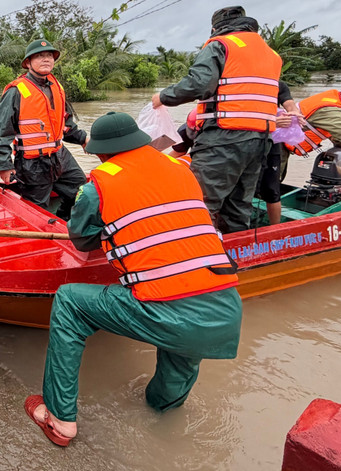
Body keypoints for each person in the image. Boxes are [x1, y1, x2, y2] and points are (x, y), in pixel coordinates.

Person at [24, 112, 242, 446]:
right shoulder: (181, 169)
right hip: (224, 309)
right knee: (179, 356)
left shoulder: (98, 185)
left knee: (69, 302)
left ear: (101, 153)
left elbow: (82, 239)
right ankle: (162, 418)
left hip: (167, 308)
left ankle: (59, 418)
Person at [152, 6, 281, 233]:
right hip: (261, 141)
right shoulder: (271, 54)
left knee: (200, 203)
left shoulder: (220, 45)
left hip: (224, 137)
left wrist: (162, 97)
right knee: (239, 205)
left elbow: (199, 84)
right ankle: (234, 248)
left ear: (215, 28)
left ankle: (199, 251)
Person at [0, 38, 88, 219]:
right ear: (28, 63)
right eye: (39, 56)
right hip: (32, 164)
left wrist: (83, 138)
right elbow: (1, 131)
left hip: (60, 156)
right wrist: (4, 165)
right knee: (38, 211)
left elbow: (65, 124)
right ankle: (46, 231)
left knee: (82, 191)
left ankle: (63, 222)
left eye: (49, 55)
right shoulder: (16, 91)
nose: (46, 59)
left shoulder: (57, 87)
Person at [282, 85, 341, 171]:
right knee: (274, 179)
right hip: (279, 144)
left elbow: (333, 132)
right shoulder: (330, 109)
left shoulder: (329, 100)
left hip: (280, 139)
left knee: (276, 177)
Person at [256, 81, 303, 225]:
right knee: (241, 188)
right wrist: (272, 122)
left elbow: (289, 103)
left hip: (271, 142)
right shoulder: (242, 84)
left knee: (272, 189)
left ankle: (275, 229)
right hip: (245, 140)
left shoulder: (278, 85)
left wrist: (295, 113)